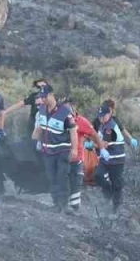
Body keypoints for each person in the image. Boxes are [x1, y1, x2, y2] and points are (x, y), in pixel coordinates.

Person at [32, 84, 77, 212]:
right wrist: (36, 140)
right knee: (51, 177)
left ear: (51, 95)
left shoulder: (65, 111)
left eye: (45, 96)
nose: (43, 99)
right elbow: (39, 128)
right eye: (41, 97)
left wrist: (74, 150)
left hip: (62, 149)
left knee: (62, 176)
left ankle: (64, 204)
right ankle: (56, 203)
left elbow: (73, 131)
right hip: (48, 150)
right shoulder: (41, 110)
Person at [94, 100, 136, 211]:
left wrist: (92, 144)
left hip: (116, 160)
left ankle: (115, 207)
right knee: (99, 175)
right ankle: (108, 196)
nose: (101, 118)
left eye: (103, 116)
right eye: (100, 116)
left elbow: (104, 144)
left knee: (116, 183)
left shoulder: (110, 127)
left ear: (109, 114)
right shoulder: (103, 125)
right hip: (106, 159)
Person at [61, 96, 98, 213]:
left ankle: (75, 209)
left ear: (72, 107)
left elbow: (94, 134)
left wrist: (98, 146)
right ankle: (63, 207)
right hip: (62, 158)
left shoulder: (82, 121)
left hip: (77, 160)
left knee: (75, 186)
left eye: (67, 107)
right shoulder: (58, 120)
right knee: (63, 184)